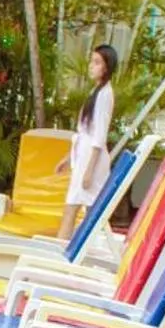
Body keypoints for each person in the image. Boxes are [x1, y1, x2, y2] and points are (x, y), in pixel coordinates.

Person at [57, 43, 119, 238]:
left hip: (92, 160)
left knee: (78, 209)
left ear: (107, 67)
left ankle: (63, 255)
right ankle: (70, 252)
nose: (92, 66)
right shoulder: (97, 91)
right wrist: (69, 158)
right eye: (92, 62)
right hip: (84, 157)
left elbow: (99, 136)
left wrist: (89, 170)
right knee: (79, 209)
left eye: (97, 63)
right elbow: (84, 131)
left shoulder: (105, 95)